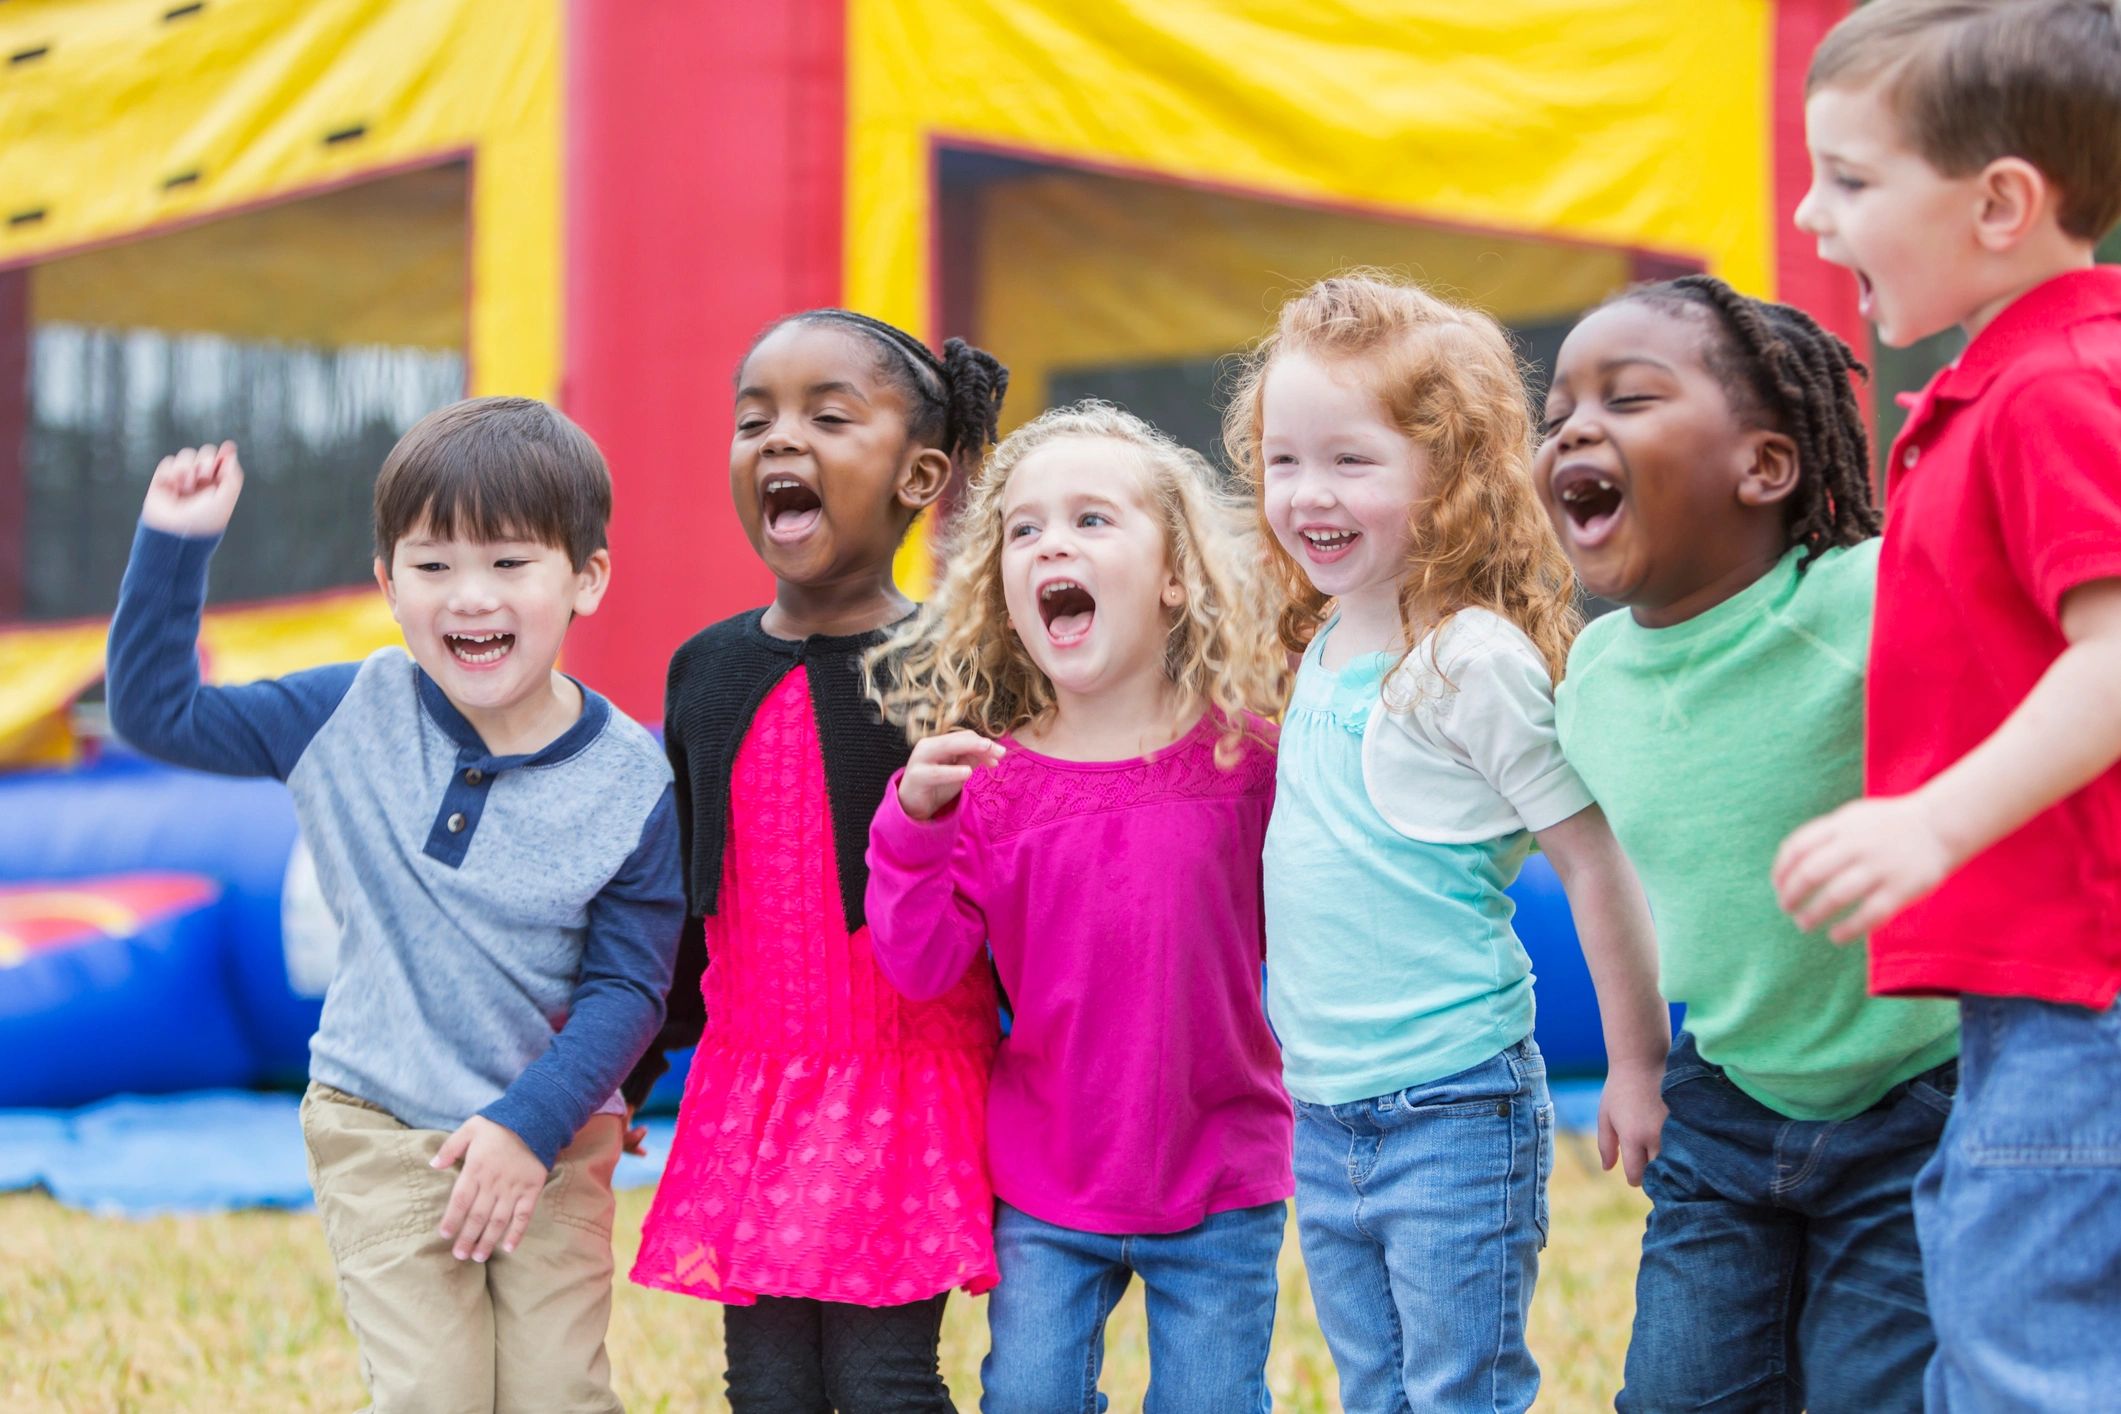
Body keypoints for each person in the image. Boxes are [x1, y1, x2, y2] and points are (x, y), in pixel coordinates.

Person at [106, 399, 683, 1413]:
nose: (470, 595)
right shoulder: (346, 711)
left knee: (556, 1392)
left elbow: (632, 982)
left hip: (551, 1134)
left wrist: (532, 1125)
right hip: (381, 1119)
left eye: (510, 564)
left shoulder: (632, 779)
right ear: (386, 581)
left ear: (585, 577)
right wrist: (173, 544)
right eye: (433, 564)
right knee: (438, 1394)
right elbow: (158, 715)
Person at [1223, 272, 1669, 1413]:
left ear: (1448, 471)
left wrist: (1635, 1064)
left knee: (1457, 1388)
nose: (1307, 493)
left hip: (1453, 1105)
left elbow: (1592, 857)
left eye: (1350, 460)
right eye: (1284, 459)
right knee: (1375, 1385)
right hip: (1325, 1111)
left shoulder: (1470, 660)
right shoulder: (1319, 643)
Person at [1774, 3, 2121, 1405]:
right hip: (2043, 993)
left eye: (1851, 179)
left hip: (2078, 993)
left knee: (2019, 1345)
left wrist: (1932, 821)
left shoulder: (2053, 389)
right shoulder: (2011, 382)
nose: (1811, 213)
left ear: (1998, 203)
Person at [1539, 275, 1961, 1412]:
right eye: (1560, 413)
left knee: (1871, 1390)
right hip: (1723, 1099)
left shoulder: (1864, 595)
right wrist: (1630, 1063)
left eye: (1627, 398)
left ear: (1766, 466)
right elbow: (1604, 880)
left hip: (1915, 1097)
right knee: (1678, 1393)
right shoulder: (1591, 682)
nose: (1575, 426)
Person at [863, 402, 1294, 1413]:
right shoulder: (990, 785)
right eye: (1024, 528)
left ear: (1176, 576)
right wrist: (913, 820)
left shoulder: (1251, 762)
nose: (1053, 539)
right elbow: (921, 965)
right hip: (1048, 1185)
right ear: (1002, 591)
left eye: (1094, 520)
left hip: (1221, 1178)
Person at [624, 310, 1008, 1412]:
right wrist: (632, 1067)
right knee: (769, 1385)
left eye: (828, 418)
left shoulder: (954, 665)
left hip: (901, 1080)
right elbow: (689, 899)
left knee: (886, 1378)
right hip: (755, 1083)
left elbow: (1006, 891)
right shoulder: (703, 668)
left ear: (919, 473)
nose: (779, 441)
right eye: (755, 421)